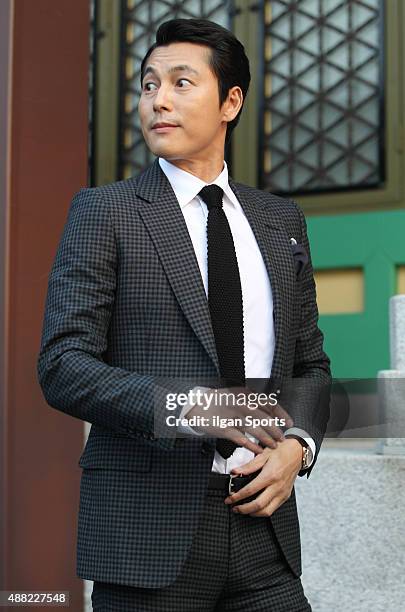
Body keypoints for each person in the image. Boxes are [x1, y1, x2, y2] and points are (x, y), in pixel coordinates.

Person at [37, 18, 330, 611]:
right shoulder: (104, 213)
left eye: (180, 82)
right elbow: (63, 365)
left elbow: (310, 364)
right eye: (148, 85)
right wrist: (194, 407)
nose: (158, 100)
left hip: (264, 537)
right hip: (148, 536)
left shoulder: (280, 222)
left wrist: (298, 446)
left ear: (230, 101)